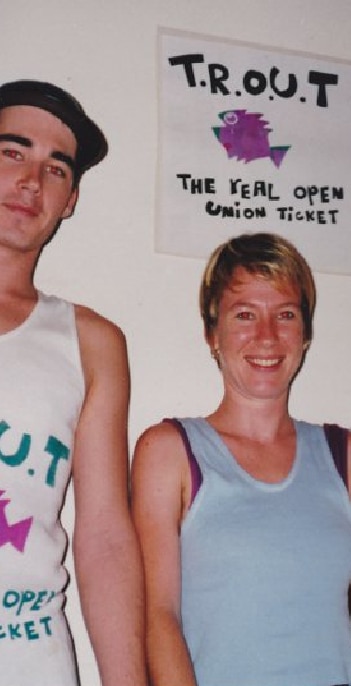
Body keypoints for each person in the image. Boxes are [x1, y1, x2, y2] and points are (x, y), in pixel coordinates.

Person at [131, 232, 351, 686]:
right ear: (211, 333)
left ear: (305, 335)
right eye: (244, 315)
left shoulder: (347, 454)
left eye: (285, 315)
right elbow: (159, 615)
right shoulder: (169, 450)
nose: (267, 336)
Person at [0, 80, 146, 686]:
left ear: (71, 199)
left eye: (55, 169)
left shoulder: (92, 342)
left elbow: (106, 537)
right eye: (12, 153)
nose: (32, 181)